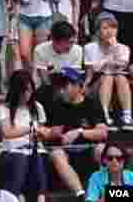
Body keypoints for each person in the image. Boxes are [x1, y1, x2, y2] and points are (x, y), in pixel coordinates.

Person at [45, 66, 108, 197]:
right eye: (59, 86)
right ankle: (81, 195)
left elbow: (103, 132)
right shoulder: (55, 104)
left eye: (65, 85)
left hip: (89, 151)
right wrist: (51, 132)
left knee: (102, 149)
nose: (61, 90)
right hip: (66, 152)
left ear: (78, 86)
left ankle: (108, 192)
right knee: (56, 154)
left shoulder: (92, 104)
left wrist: (79, 132)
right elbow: (48, 132)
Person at [0, 71, 50, 202]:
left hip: (34, 149)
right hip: (11, 150)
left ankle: (41, 197)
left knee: (36, 156)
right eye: (24, 91)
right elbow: (8, 132)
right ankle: (16, 196)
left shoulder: (38, 107)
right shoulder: (5, 108)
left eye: (29, 90)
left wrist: (44, 133)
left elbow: (42, 133)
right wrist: (31, 128)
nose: (27, 94)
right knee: (21, 159)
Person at [84, 11, 133, 128]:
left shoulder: (123, 48)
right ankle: (103, 115)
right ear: (97, 30)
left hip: (118, 86)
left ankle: (127, 115)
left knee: (119, 77)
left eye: (113, 27)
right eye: (105, 28)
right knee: (108, 77)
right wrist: (109, 57)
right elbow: (93, 71)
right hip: (96, 85)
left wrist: (114, 48)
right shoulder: (89, 48)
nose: (110, 31)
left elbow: (121, 66)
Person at [32, 21, 82, 96]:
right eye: (65, 42)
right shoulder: (40, 50)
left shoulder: (77, 50)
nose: (69, 46)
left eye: (71, 42)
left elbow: (74, 77)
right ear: (54, 40)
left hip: (67, 86)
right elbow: (45, 79)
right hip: (46, 87)